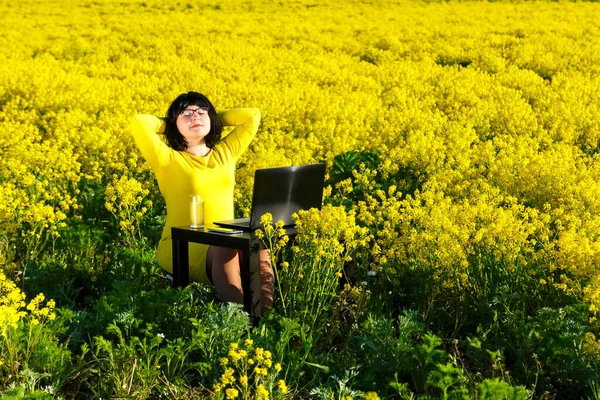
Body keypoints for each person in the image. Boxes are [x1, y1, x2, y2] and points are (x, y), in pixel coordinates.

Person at [129, 91, 272, 306]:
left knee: (258, 244)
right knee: (226, 247)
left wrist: (211, 118)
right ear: (173, 124)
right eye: (185, 114)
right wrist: (172, 121)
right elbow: (139, 122)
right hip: (182, 242)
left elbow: (251, 116)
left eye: (201, 112)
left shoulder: (225, 153)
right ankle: (241, 323)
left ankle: (266, 319)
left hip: (224, 238)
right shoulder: (167, 159)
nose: (194, 117)